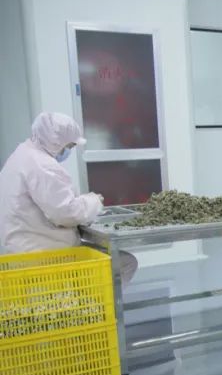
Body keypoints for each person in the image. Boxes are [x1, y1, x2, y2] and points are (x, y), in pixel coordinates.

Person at [0, 112, 138, 284]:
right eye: (70, 146)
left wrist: (82, 201)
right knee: (125, 263)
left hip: (21, 250)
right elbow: (66, 214)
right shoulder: (43, 166)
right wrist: (94, 201)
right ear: (56, 142)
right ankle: (94, 301)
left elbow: (52, 202)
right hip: (45, 255)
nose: (68, 151)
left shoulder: (21, 155)